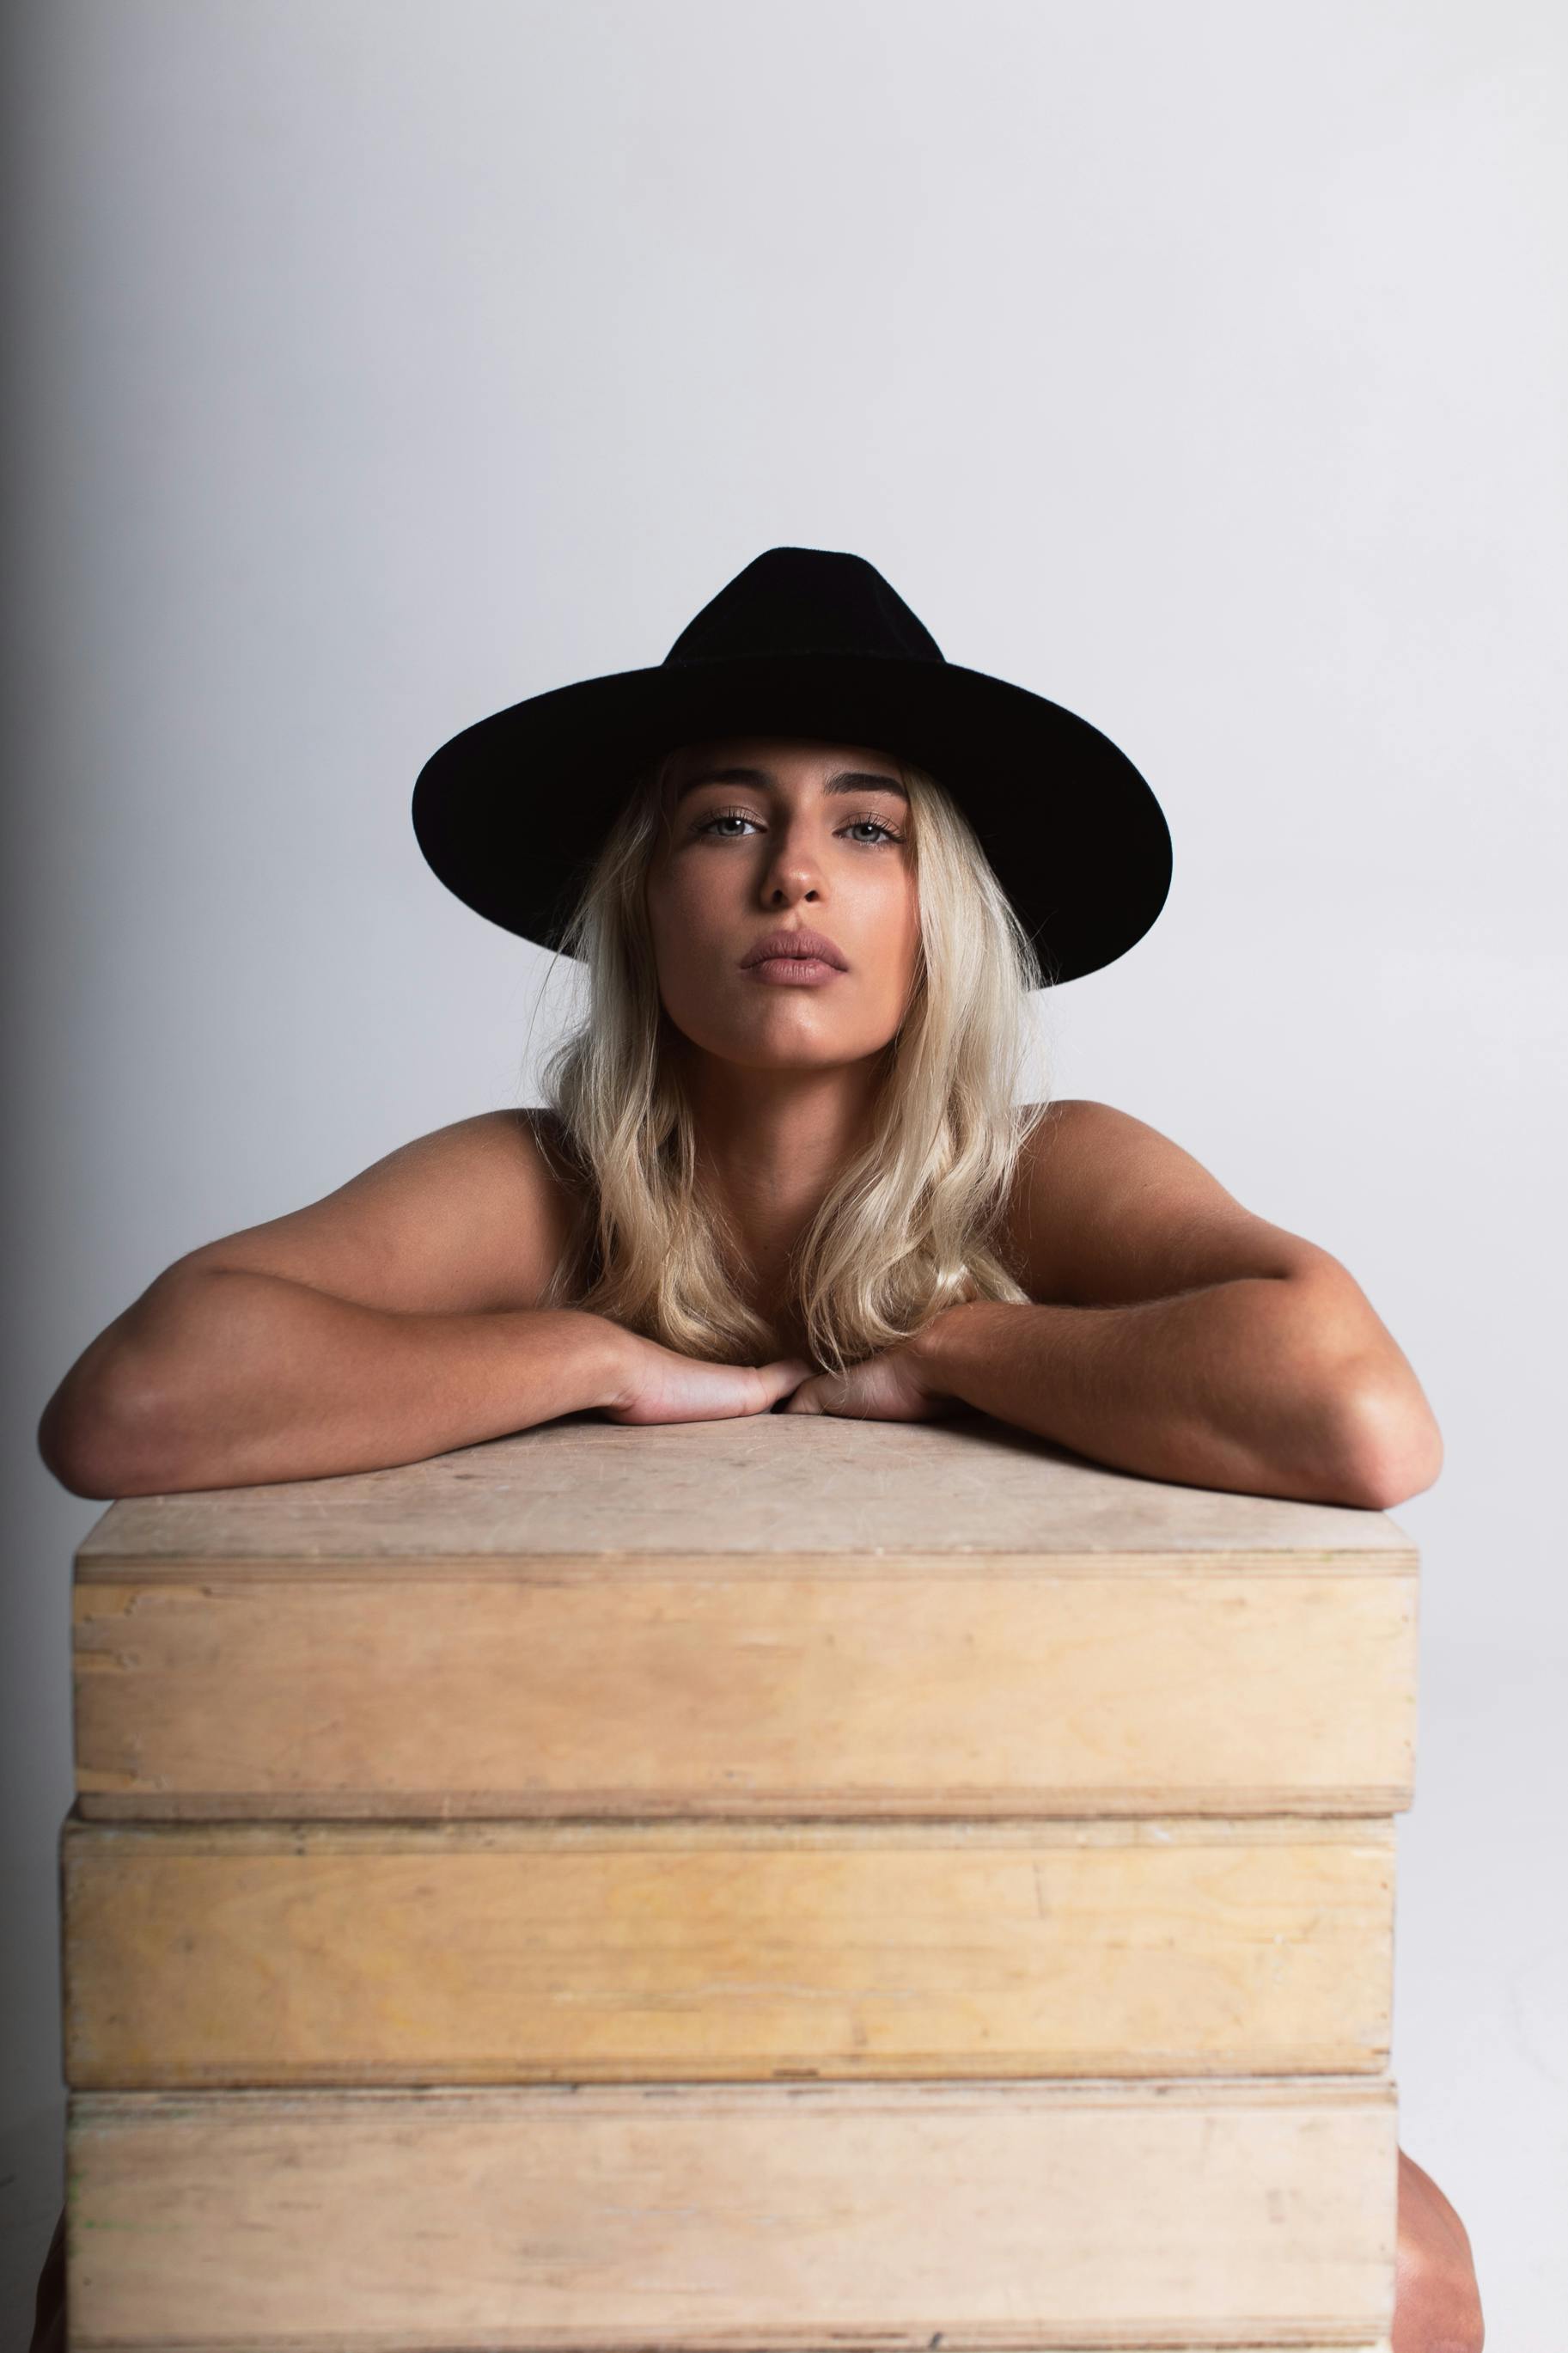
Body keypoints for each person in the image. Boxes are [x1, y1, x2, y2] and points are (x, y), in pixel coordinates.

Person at [33, 551, 1483, 2352]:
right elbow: (135, 1401)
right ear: (640, 899)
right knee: (119, 2261)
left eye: (866, 830)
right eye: (727, 821)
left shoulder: (1039, 1170)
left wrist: (943, 1346)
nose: (794, 871)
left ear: (937, 905)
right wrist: (585, 1353)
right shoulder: (541, 1188)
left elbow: (1357, 1415)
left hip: (999, 1963)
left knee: (1406, 2269)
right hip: (557, 1968)